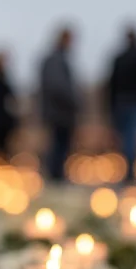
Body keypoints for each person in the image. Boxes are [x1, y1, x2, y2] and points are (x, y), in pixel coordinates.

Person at [107, 27, 136, 181]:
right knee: (132, 136)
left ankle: (128, 169)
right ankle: (130, 170)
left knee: (126, 137)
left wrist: (111, 106)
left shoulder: (120, 58)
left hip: (121, 102)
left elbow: (112, 84)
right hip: (135, 101)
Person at [40, 27, 79, 181]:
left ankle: (57, 175)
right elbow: (57, 87)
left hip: (60, 111)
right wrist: (74, 101)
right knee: (58, 145)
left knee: (60, 145)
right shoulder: (56, 60)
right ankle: (55, 176)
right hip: (59, 112)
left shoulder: (59, 59)